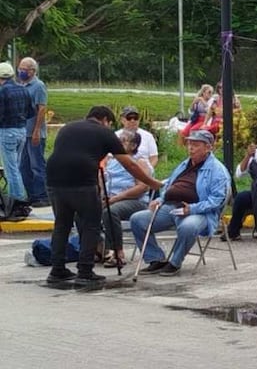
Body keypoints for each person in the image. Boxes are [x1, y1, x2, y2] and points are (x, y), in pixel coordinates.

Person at [45, 106, 163, 284]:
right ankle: (85, 271)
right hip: (83, 182)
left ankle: (57, 270)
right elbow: (129, 165)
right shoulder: (105, 133)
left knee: (62, 225)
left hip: (54, 180)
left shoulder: (67, 128)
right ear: (105, 120)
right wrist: (153, 183)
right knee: (90, 224)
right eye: (109, 124)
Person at [129, 129, 230, 277]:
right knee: (138, 220)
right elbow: (170, 184)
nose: (190, 148)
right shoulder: (184, 164)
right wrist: (160, 200)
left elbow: (217, 200)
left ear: (208, 148)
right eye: (189, 144)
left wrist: (192, 209)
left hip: (199, 211)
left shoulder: (217, 170)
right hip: (172, 207)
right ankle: (155, 259)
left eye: (195, 145)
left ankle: (175, 263)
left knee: (188, 226)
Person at [100, 128, 154, 268]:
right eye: (119, 140)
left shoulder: (139, 161)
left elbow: (142, 187)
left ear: (133, 146)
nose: (119, 143)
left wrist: (116, 198)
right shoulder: (113, 161)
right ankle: (98, 249)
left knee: (110, 212)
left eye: (124, 141)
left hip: (135, 201)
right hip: (111, 198)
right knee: (82, 210)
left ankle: (118, 253)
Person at [0, 61, 34, 217]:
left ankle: (17, 202)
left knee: (10, 169)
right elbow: (30, 112)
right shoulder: (23, 90)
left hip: (7, 131)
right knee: (17, 167)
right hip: (21, 130)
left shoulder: (2, 92)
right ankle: (19, 199)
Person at [18, 56, 49, 207]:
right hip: (23, 132)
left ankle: (41, 195)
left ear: (32, 71)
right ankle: (31, 194)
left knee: (37, 165)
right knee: (23, 166)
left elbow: (41, 109)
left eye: (24, 69)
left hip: (34, 133)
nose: (21, 72)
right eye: (20, 69)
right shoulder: (21, 85)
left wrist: (37, 130)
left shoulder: (38, 86)